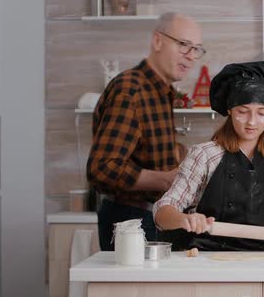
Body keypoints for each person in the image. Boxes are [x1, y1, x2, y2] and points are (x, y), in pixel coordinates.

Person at [154, 61, 264, 251]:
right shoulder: (204, 155)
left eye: (262, 113)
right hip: (207, 260)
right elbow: (162, 211)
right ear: (229, 110)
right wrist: (185, 219)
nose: (252, 122)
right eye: (243, 112)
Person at [87, 13, 205, 251]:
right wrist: (165, 178)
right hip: (131, 221)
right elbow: (102, 168)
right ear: (157, 41)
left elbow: (147, 149)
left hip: (151, 218)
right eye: (183, 45)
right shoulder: (131, 90)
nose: (191, 56)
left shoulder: (159, 91)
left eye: (197, 49)